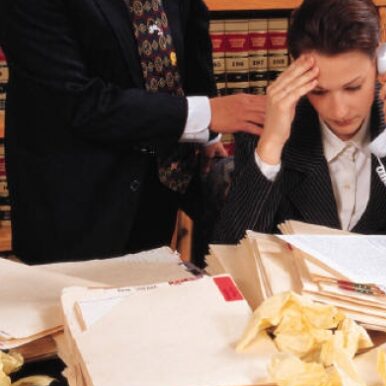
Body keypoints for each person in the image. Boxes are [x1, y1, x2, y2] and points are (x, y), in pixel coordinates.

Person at [0, 0, 265, 264]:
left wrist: (207, 136)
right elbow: (77, 103)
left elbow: (190, 37)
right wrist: (205, 114)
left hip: (157, 189)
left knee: (148, 296)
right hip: (76, 200)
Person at [214, 0, 386, 258]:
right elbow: (232, 257)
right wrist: (271, 145)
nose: (338, 111)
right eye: (319, 91)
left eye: (353, 87)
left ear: (381, 59)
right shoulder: (265, 128)